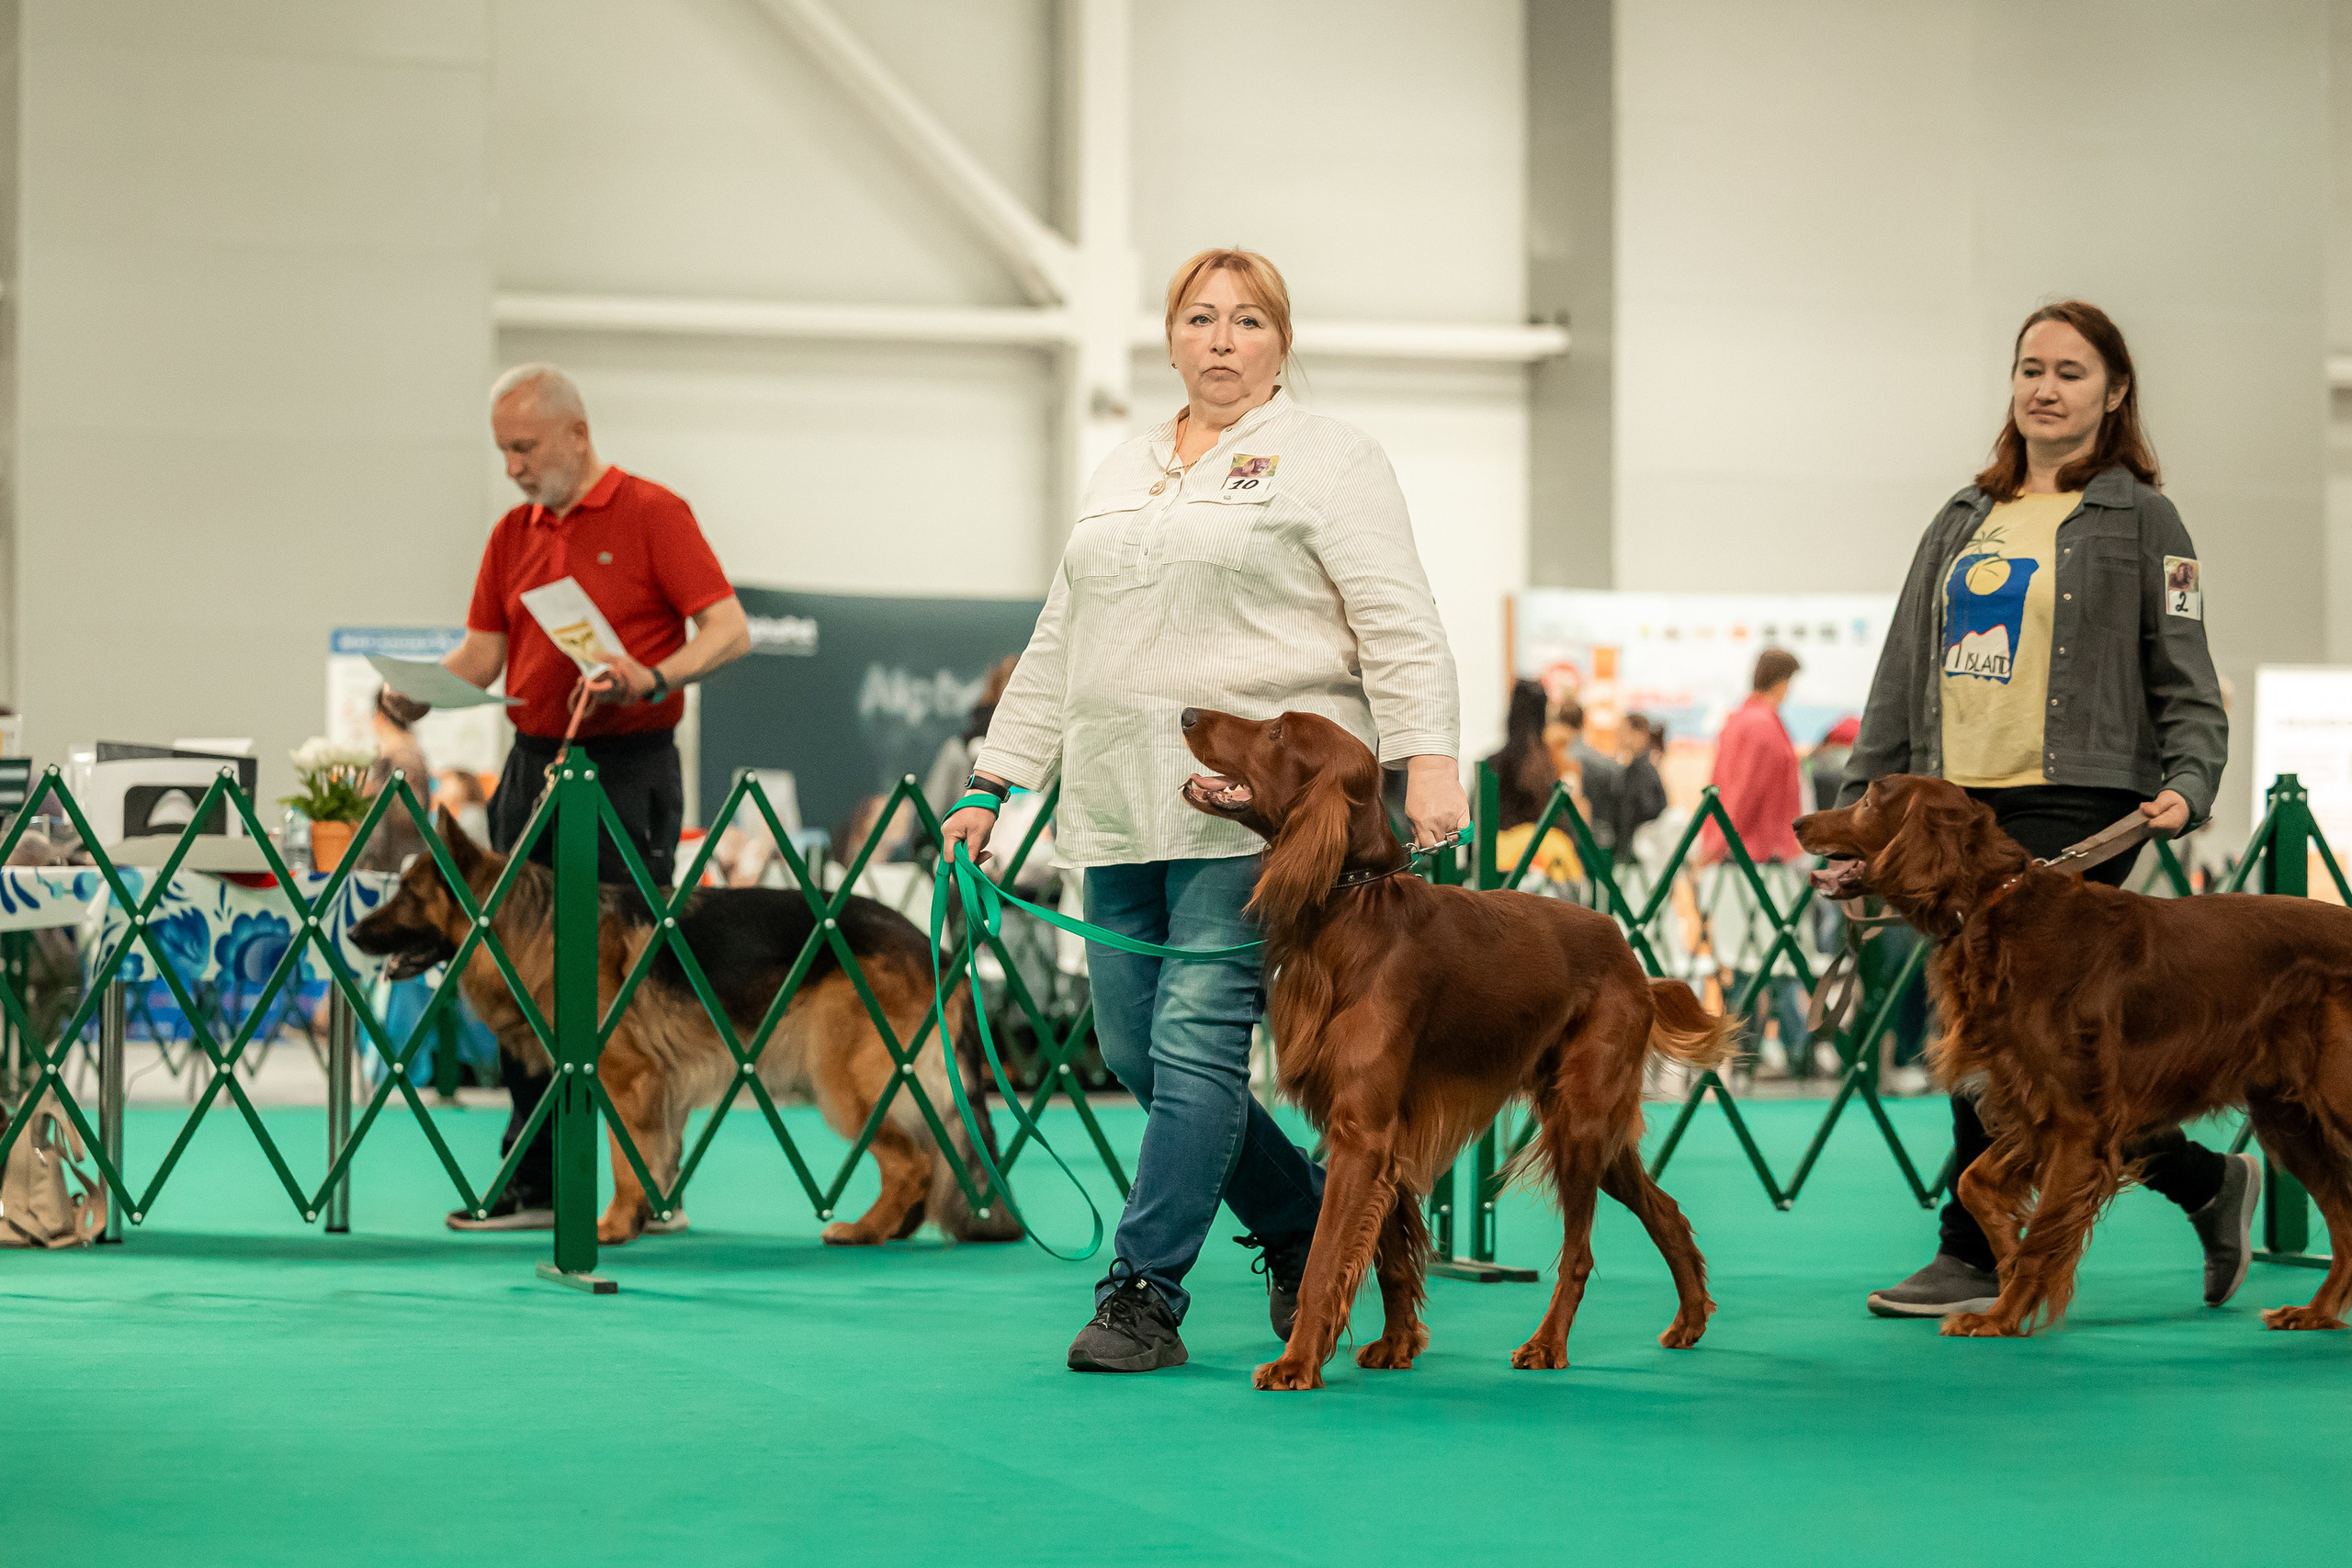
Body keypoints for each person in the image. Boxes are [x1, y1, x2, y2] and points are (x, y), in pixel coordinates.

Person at [944, 247, 1465, 1373]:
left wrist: (1429, 759)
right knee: (1137, 1048)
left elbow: (1399, 618)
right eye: (1198, 319)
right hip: (1121, 796)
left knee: (1192, 1041)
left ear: (1281, 341)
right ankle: (1299, 1223)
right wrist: (994, 781)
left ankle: (1142, 1294)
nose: (1221, 341)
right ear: (1169, 337)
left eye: (1246, 321)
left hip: (1261, 814)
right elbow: (1058, 638)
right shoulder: (1123, 465)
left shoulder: (1330, 457)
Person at [1838, 299, 2252, 1318]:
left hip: (2082, 801)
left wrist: (2191, 781)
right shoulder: (1959, 518)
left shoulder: (2144, 520)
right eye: (2030, 368)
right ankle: (2203, 1182)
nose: (2045, 388)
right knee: (2026, 1044)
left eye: (2071, 372)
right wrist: (1862, 808)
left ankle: (1970, 1253)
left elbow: (2187, 675)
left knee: (2003, 1033)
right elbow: (1902, 671)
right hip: (1956, 797)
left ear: (2113, 395)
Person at [384, 363, 751, 1232]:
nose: (510, 465)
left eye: (524, 447)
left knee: (632, 983)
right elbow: (482, 654)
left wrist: (652, 674)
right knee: (514, 968)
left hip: (629, 767)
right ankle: (537, 1174)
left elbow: (728, 630)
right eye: (502, 450)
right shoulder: (512, 533)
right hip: (532, 764)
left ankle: (651, 1181)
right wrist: (420, 689)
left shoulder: (656, 514)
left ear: (576, 435)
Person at [1702, 649, 1815, 1078]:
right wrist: (1717, 844)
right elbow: (1743, 793)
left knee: (1753, 956)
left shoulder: (1740, 721)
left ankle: (1761, 1051)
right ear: (1782, 680)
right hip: (1757, 859)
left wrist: (1711, 845)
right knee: (1767, 956)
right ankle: (1782, 1050)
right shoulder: (1762, 726)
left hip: (1744, 856)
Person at [1484, 679, 1580, 884]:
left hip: (1501, 866)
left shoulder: (1492, 764)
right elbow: (1565, 821)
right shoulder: (1553, 763)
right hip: (1548, 865)